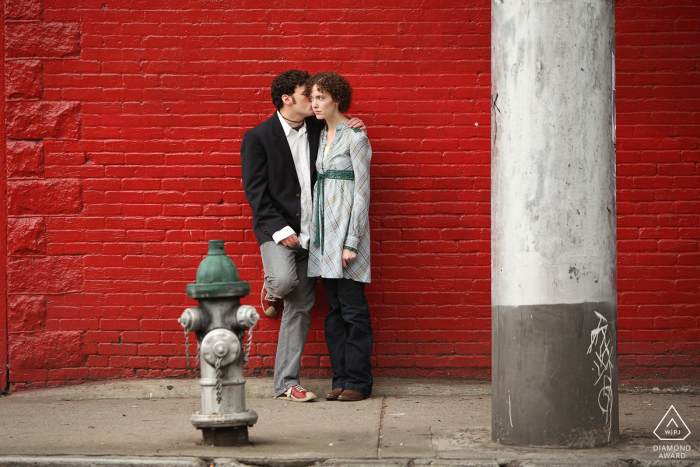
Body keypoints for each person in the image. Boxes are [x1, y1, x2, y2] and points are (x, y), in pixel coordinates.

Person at [240, 70, 364, 402]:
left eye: (315, 95)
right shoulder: (257, 138)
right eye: (305, 94)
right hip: (276, 230)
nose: (312, 100)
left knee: (301, 306)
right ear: (287, 99)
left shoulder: (319, 130)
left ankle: (286, 383)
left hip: (315, 236)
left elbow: (342, 129)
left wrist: (355, 123)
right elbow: (256, 194)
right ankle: (272, 285)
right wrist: (281, 231)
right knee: (283, 283)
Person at [306, 72, 373, 402]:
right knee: (334, 313)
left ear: (337, 99)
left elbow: (361, 193)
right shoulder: (321, 136)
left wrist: (352, 242)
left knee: (353, 310)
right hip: (323, 239)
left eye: (320, 97)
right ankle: (341, 378)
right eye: (313, 98)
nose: (314, 103)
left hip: (347, 239)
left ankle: (359, 382)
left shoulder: (356, 137)